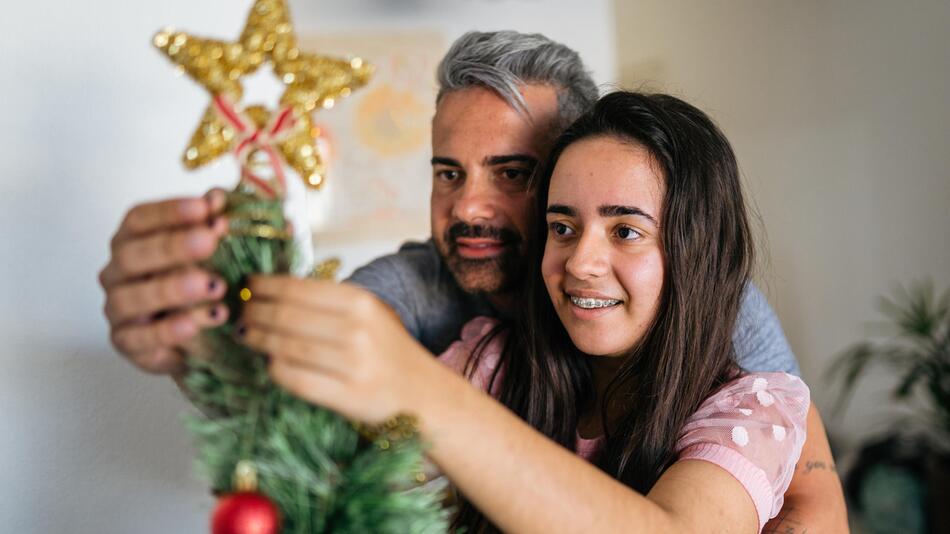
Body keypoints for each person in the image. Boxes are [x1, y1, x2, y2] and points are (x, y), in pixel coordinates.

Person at [98, 31, 846, 530]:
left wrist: (422, 394)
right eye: (448, 173)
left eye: (513, 174)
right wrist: (198, 330)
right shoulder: (447, 314)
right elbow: (296, 395)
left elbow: (795, 482)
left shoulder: (721, 318)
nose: (468, 207)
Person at [240, 91, 809, 532]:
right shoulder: (490, 359)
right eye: (562, 227)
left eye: (626, 231)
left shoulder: (753, 410)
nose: (580, 262)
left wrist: (421, 390)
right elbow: (336, 459)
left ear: (698, 252)